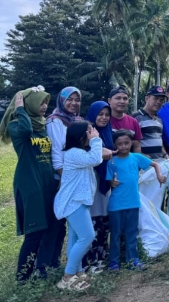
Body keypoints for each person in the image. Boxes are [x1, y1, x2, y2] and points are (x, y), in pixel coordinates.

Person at [0, 87, 56, 282]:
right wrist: (20, 108)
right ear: (28, 104)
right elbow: (25, 130)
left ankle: (42, 268)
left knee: (50, 227)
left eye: (46, 102)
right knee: (35, 231)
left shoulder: (41, 126)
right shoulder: (17, 125)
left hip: (47, 183)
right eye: (40, 102)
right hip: (30, 185)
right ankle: (22, 277)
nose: (44, 106)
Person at [107, 130, 166, 271]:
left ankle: (133, 260)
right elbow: (108, 181)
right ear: (114, 145)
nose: (123, 146)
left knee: (131, 232)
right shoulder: (111, 161)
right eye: (119, 144)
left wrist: (159, 175)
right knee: (115, 234)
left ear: (132, 142)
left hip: (133, 202)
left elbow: (156, 164)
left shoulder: (136, 157)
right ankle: (114, 262)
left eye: (126, 143)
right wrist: (111, 183)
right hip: (116, 204)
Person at [54, 121, 103, 290]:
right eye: (90, 132)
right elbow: (96, 159)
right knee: (87, 236)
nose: (93, 134)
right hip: (73, 203)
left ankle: (77, 270)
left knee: (75, 239)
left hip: (78, 202)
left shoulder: (77, 153)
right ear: (82, 135)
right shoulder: (74, 153)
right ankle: (67, 277)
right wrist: (97, 141)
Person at [43, 86, 83, 275]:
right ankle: (46, 265)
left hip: (74, 177)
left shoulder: (76, 121)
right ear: (62, 100)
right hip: (62, 179)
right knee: (56, 223)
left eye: (77, 100)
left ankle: (58, 262)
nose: (74, 103)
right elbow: (57, 153)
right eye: (70, 99)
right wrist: (64, 178)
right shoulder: (55, 121)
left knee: (70, 224)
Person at [83, 101, 116, 272]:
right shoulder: (86, 132)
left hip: (105, 180)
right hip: (91, 180)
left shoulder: (108, 131)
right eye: (100, 114)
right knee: (93, 220)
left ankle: (101, 256)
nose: (103, 118)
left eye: (106, 114)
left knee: (104, 219)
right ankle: (90, 261)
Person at [132, 85, 169, 160]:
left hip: (160, 162)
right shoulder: (135, 117)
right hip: (144, 163)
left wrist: (166, 155)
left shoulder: (159, 120)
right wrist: (143, 157)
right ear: (147, 98)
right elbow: (131, 143)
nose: (158, 102)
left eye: (161, 100)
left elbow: (159, 141)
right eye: (155, 98)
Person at [108, 86, 142, 152]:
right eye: (118, 98)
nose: (122, 101)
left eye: (125, 98)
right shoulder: (103, 120)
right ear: (109, 101)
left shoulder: (133, 122)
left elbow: (137, 147)